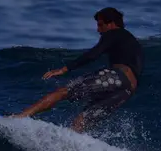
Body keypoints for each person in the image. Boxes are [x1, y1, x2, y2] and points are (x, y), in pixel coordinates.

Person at [9, 7, 144, 133]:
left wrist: (64, 69)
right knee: (83, 120)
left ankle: (20, 117)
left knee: (62, 92)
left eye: (100, 25)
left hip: (117, 77)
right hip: (128, 89)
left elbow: (93, 54)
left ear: (111, 24)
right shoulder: (132, 42)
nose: (98, 30)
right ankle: (70, 147)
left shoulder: (113, 33)